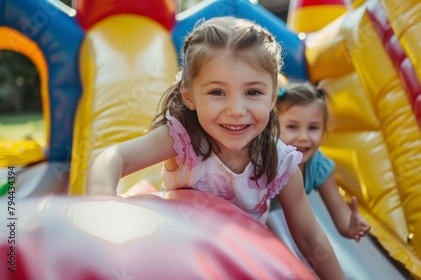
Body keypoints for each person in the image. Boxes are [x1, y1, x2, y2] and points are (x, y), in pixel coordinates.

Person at [87, 16, 345, 279]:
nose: (236, 110)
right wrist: (102, 205)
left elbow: (309, 236)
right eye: (217, 93)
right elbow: (113, 156)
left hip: (240, 263)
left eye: (253, 92)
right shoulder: (183, 140)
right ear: (189, 96)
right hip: (178, 259)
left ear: (272, 96)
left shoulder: (280, 162)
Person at [276, 82, 371, 242]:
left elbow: (341, 214)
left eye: (313, 128)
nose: (303, 137)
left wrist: (351, 225)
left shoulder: (318, 167)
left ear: (323, 130)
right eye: (292, 126)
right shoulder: (267, 158)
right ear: (273, 128)